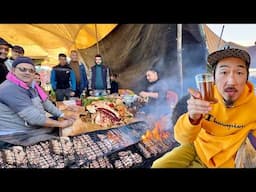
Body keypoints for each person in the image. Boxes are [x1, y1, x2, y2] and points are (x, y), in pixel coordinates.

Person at [152, 45, 256, 168]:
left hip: (225, 160)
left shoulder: (253, 105)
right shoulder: (206, 96)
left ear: (246, 78)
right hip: (197, 146)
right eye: (224, 72)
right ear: (214, 77)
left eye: (239, 72)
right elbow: (182, 138)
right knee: (158, 165)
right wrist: (192, 118)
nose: (231, 81)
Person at [0, 56, 76, 146]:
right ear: (13, 70)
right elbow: (34, 118)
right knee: (61, 143)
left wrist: (62, 115)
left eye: (31, 71)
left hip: (30, 127)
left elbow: (46, 104)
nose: (27, 73)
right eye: (23, 69)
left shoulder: (31, 86)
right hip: (16, 135)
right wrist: (60, 124)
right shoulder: (10, 88)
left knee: (62, 131)